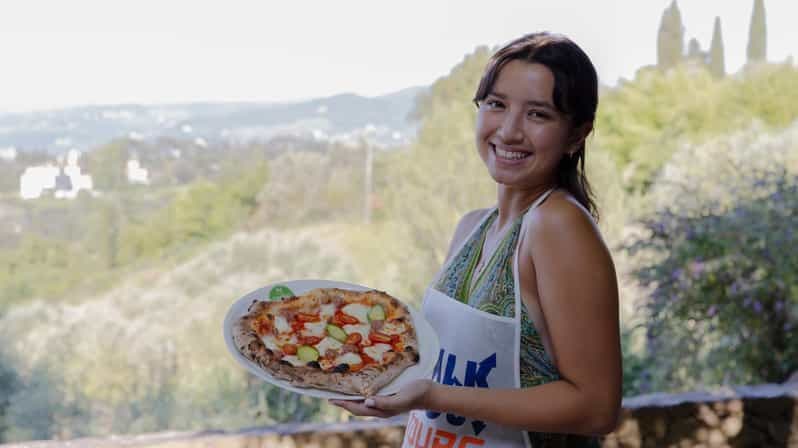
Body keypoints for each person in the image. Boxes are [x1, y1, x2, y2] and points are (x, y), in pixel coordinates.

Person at [332, 32, 622, 447]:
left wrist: (433, 396)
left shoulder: (557, 226)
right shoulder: (471, 227)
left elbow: (596, 407)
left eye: (538, 114)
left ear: (576, 135)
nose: (509, 131)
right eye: (496, 104)